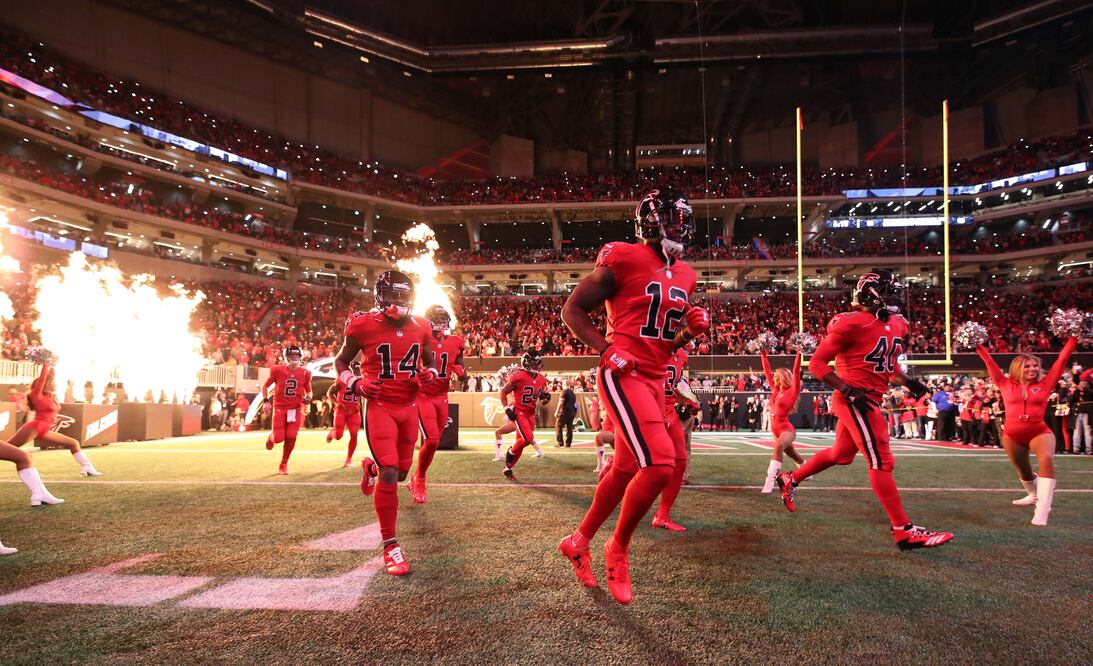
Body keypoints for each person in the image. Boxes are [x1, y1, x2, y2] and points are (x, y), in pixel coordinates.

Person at [558, 188, 707, 604]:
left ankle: (578, 539)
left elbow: (664, 339)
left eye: (683, 219)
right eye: (671, 219)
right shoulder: (623, 257)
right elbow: (572, 310)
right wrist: (608, 350)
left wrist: (688, 332)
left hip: (655, 376)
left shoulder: (687, 273)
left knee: (625, 468)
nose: (679, 227)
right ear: (651, 221)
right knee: (660, 464)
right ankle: (618, 547)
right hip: (624, 374)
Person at [776, 271, 953, 551]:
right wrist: (847, 389)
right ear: (870, 294)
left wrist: (908, 382)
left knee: (842, 455)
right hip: (855, 399)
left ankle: (790, 478)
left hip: (869, 396)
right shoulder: (852, 323)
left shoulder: (896, 324)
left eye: (895, 291)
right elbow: (818, 365)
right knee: (882, 460)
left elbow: (885, 366)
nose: (894, 297)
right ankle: (903, 531)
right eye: (888, 291)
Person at [335, 270, 437, 576]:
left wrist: (429, 373)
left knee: (402, 471)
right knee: (391, 470)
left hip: (409, 405)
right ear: (380, 297)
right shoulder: (363, 324)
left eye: (403, 297)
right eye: (392, 297)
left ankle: (370, 468)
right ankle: (390, 546)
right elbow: (340, 361)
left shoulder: (421, 325)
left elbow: (430, 362)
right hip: (379, 405)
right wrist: (353, 382)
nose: (397, 303)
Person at [976, 333, 1077, 525]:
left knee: (1046, 458)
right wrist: (977, 344)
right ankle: (1033, 494)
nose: (1032, 369)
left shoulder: (1045, 384)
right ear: (1018, 368)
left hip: (1039, 431)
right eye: (1027, 366)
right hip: (1012, 435)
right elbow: (989, 361)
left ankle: (1043, 510)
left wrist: (1074, 338)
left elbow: (1062, 359)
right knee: (1024, 470)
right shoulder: (1004, 383)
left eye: (1035, 366)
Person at [410, 305, 464, 503]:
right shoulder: (420, 339)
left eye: (444, 319)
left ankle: (416, 476)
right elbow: (409, 366)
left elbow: (463, 374)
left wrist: (461, 373)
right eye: (438, 319)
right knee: (431, 439)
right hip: (423, 395)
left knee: (433, 443)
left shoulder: (457, 342)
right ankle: (420, 480)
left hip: (443, 396)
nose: (442, 324)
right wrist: (419, 375)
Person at [8, 362, 101, 477]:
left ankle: (88, 467)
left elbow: (50, 376)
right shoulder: (37, 395)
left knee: (73, 443)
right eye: (53, 383)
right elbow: (43, 379)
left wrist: (52, 365)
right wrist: (46, 364)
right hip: (33, 428)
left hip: (44, 431)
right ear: (46, 385)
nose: (56, 384)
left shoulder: (50, 396)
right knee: (7, 448)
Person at [649, 346, 692, 531]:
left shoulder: (682, 355)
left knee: (680, 461)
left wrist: (687, 397)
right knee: (636, 462)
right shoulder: (653, 342)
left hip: (669, 410)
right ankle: (612, 469)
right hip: (648, 406)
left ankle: (662, 515)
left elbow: (676, 381)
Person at [260, 345, 312, 475]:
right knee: (278, 438)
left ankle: (283, 463)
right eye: (292, 356)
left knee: (291, 436)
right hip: (280, 408)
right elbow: (265, 386)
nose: (295, 358)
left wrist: (308, 399)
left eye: (297, 356)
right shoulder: (277, 370)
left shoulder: (305, 373)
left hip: (295, 409)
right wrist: (266, 401)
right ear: (286, 357)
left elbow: (309, 391)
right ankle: (271, 438)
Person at [760, 349, 806, 493]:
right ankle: (806, 468)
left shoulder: (793, 391)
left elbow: (796, 371)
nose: (773, 378)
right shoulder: (775, 390)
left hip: (786, 429)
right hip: (775, 429)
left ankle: (770, 481)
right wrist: (763, 354)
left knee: (779, 446)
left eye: (775, 377)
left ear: (782, 378)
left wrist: (799, 353)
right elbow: (767, 371)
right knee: (792, 454)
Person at [499, 350, 549, 480]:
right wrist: (506, 409)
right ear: (526, 363)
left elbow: (542, 401)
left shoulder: (541, 379)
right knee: (527, 439)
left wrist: (545, 399)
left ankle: (508, 468)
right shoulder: (519, 376)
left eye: (537, 364)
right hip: (519, 412)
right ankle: (510, 452)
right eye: (533, 364)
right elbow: (503, 392)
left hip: (530, 414)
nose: (536, 367)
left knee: (521, 443)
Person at [326, 360, 364, 468]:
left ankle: (348, 460)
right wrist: (336, 403)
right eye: (355, 370)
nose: (357, 372)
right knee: (338, 436)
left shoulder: (363, 379)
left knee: (354, 434)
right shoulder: (342, 380)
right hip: (342, 410)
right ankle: (332, 433)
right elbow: (330, 392)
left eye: (358, 370)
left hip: (354, 411)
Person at [555, 380, 577, 447]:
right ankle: (568, 443)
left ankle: (560, 443)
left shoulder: (564, 391)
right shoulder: (573, 393)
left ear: (564, 384)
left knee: (558, 426)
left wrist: (557, 411)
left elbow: (561, 402)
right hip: (572, 411)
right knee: (569, 427)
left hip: (565, 411)